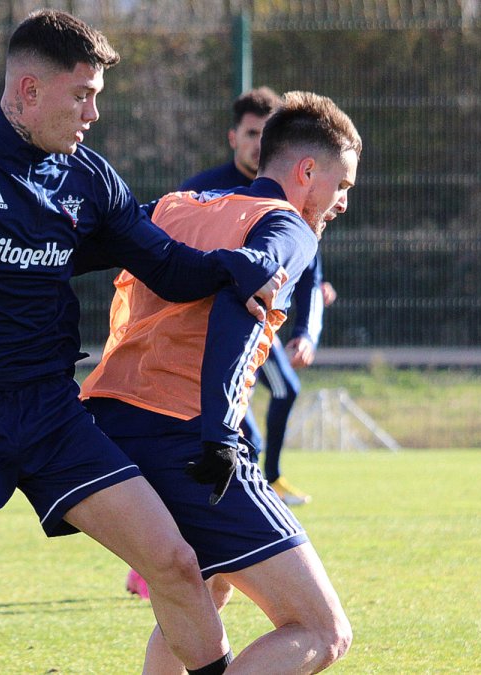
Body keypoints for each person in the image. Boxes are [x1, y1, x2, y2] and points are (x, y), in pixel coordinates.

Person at [0, 10, 287, 675]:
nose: (93, 112)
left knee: (177, 562)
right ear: (30, 91)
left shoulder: (88, 178)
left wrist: (236, 266)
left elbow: (170, 268)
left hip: (51, 415)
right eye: (83, 94)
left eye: (97, 95)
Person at [82, 90, 360, 674]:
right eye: (342, 186)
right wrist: (220, 433)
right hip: (185, 432)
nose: (340, 203)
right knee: (323, 629)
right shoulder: (287, 226)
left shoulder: (179, 204)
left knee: (201, 592)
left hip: (106, 421)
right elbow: (242, 308)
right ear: (307, 170)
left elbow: (85, 247)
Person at [180, 87, 330, 507]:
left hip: (261, 325)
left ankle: (272, 481)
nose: (257, 144)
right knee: (246, 437)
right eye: (250, 134)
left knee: (285, 392)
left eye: (266, 134)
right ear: (233, 138)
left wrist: (307, 331)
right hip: (204, 330)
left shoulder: (295, 198)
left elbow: (310, 272)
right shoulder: (204, 190)